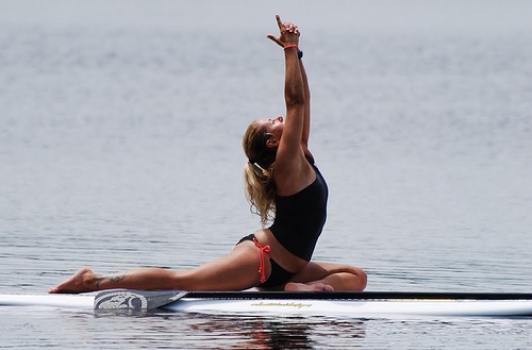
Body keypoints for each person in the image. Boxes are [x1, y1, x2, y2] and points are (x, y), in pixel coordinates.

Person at [49, 15, 367, 294]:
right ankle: (92, 281)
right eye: (273, 121)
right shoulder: (287, 165)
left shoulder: (300, 154)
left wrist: (296, 54)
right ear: (272, 143)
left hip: (293, 267)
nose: (280, 118)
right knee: (182, 280)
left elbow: (304, 101)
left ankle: (300, 289)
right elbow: (294, 102)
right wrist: (287, 52)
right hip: (263, 258)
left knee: (356, 276)